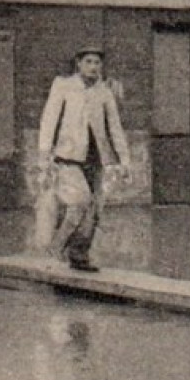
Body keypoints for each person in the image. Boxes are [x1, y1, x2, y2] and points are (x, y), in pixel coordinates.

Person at [36, 44, 132, 273]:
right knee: (80, 201)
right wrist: (43, 154)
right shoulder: (63, 86)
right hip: (68, 157)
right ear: (78, 63)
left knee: (95, 209)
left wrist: (125, 159)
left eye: (97, 62)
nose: (93, 67)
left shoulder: (104, 91)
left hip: (97, 158)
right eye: (88, 62)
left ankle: (79, 255)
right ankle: (56, 247)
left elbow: (115, 127)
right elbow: (49, 120)